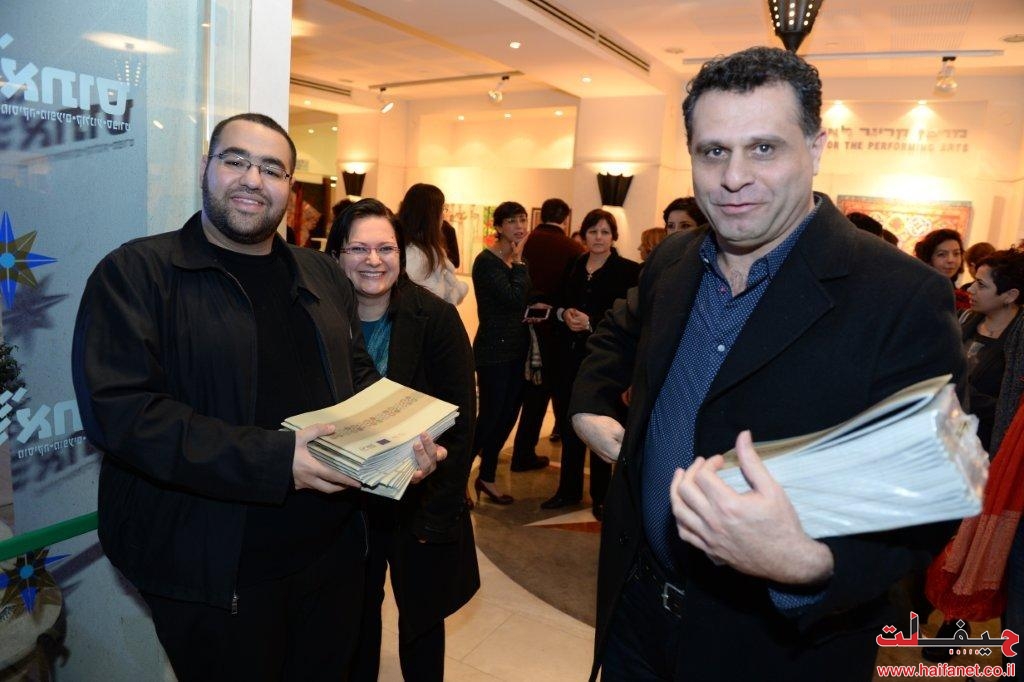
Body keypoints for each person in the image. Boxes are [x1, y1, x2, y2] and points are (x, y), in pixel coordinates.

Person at [569, 47, 963, 681]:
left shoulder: (901, 294)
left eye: (763, 148)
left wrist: (808, 562)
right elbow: (618, 331)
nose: (733, 177)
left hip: (774, 649)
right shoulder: (675, 260)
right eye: (713, 151)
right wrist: (590, 404)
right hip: (636, 610)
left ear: (816, 148)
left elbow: (928, 495)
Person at [71, 113, 446, 681]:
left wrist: (402, 441)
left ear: (290, 187)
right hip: (214, 571)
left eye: (272, 169)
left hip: (333, 558)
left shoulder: (321, 273)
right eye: (236, 160)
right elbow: (121, 414)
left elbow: (357, 373)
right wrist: (277, 460)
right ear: (205, 167)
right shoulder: (137, 273)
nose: (253, 178)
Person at [326, 199, 479, 682]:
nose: (374, 260)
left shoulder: (434, 318)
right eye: (359, 249)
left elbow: (462, 420)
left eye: (386, 248)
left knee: (421, 624)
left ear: (401, 253)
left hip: (418, 500)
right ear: (336, 255)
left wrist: (438, 517)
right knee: (353, 620)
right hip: (346, 501)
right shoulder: (322, 319)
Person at [542, 209, 639, 519]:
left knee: (600, 425)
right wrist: (564, 314)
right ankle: (568, 490)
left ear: (614, 237)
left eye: (605, 232)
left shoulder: (628, 271)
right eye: (593, 231)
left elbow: (629, 320)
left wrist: (591, 322)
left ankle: (601, 496)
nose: (598, 237)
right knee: (569, 424)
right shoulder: (574, 265)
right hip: (567, 358)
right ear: (583, 235)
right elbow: (556, 301)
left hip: (604, 365)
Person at [510, 198, 584, 471]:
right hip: (556, 329)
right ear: (565, 218)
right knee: (559, 398)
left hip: (521, 326)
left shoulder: (526, 241)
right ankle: (563, 460)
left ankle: (521, 452)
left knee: (531, 396)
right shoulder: (573, 248)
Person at [470, 201, 531, 504]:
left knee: (508, 416)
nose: (519, 226)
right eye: (511, 221)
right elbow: (513, 298)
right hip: (493, 351)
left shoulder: (518, 261)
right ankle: (457, 480)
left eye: (522, 220)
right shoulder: (486, 261)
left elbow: (524, 299)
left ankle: (487, 477)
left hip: (517, 349)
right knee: (489, 418)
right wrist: (519, 264)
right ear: (498, 227)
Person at [397, 183, 468, 305]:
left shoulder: (429, 249)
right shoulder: (414, 255)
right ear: (431, 215)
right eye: (442, 209)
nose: (443, 215)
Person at [915, 228, 969, 311]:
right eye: (942, 254)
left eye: (956, 254)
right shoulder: (918, 294)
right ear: (928, 258)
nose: (951, 260)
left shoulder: (964, 299)